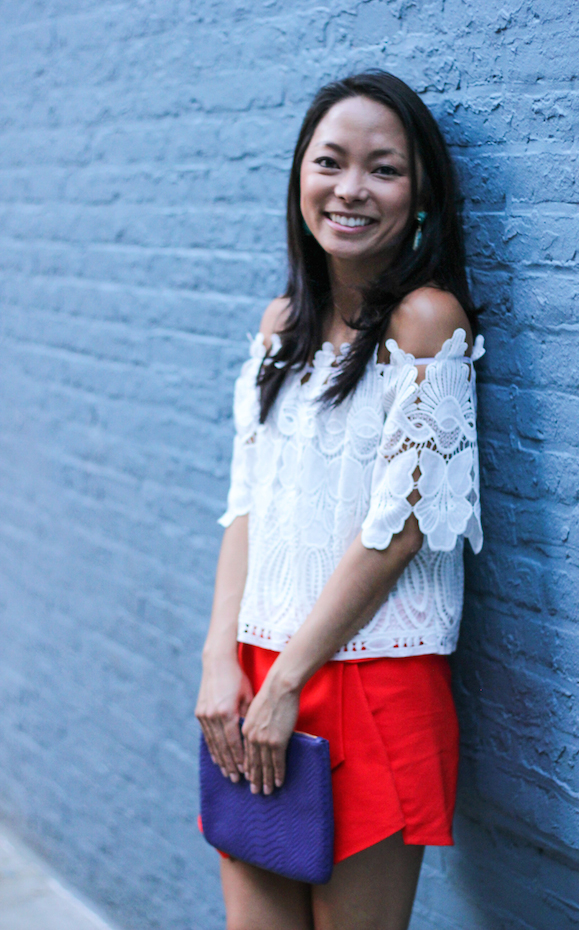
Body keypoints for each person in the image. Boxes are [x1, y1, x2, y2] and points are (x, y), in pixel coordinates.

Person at [195, 70, 484, 930]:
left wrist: (289, 681)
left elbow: (396, 534)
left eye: (384, 169)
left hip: (372, 681)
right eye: (331, 162)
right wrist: (222, 661)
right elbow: (246, 502)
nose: (351, 189)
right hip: (254, 676)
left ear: (421, 193)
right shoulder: (279, 325)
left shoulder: (427, 323)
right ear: (300, 179)